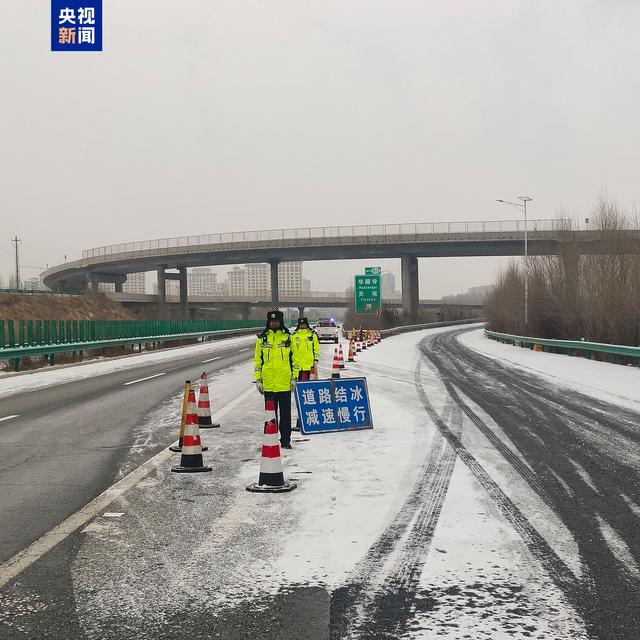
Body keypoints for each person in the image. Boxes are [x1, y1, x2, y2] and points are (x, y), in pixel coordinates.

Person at [254, 310, 296, 449]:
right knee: (270, 416)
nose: (273, 323)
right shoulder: (262, 339)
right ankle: (271, 440)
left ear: (280, 322)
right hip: (269, 384)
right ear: (268, 322)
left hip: (284, 383)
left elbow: (294, 360)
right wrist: (258, 380)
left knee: (285, 416)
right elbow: (258, 362)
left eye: (276, 321)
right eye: (271, 321)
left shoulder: (289, 338)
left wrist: (294, 378)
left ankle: (285, 441)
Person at [291, 317, 320, 430]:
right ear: (299, 325)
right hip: (297, 369)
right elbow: (291, 351)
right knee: (299, 395)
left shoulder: (312, 335)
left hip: (310, 369)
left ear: (307, 325)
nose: (302, 326)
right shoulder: (293, 336)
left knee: (310, 394)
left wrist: (316, 360)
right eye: (301, 324)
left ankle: (311, 418)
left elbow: (316, 349)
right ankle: (300, 420)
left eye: (304, 324)